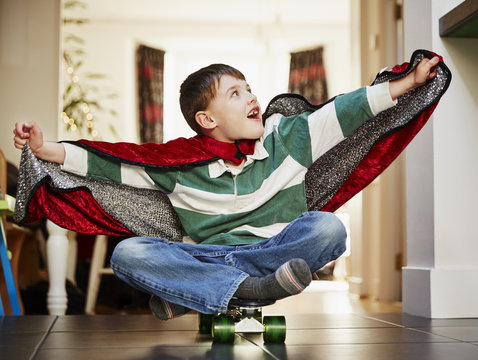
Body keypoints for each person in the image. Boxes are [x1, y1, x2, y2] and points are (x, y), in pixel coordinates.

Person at [13, 54, 440, 319]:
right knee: (128, 253)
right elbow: (110, 163)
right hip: (205, 254)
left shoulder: (287, 137)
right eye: (236, 93)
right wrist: (46, 147)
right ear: (208, 120)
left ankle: (193, 295)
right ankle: (248, 290)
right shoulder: (177, 165)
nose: (252, 96)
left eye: (249, 87)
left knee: (330, 229)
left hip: (273, 249)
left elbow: (345, 112)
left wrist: (405, 84)